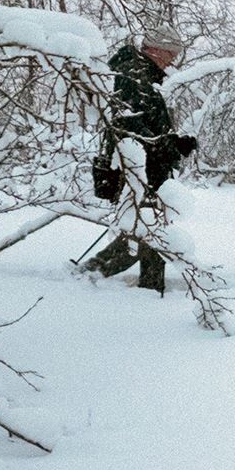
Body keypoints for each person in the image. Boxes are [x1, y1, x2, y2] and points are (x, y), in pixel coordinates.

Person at [85, 22, 198, 294]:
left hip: (145, 166)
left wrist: (175, 143)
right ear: (157, 50)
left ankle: (97, 276)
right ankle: (137, 288)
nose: (173, 61)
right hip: (136, 168)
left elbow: (146, 125)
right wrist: (167, 148)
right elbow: (130, 125)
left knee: (145, 231)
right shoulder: (132, 74)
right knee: (148, 233)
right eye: (171, 54)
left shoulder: (143, 75)